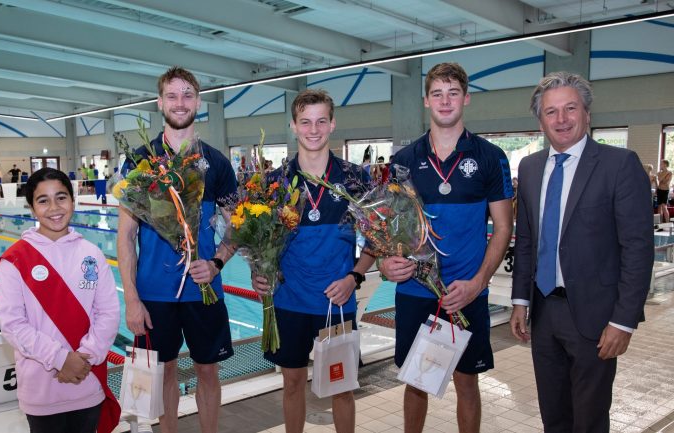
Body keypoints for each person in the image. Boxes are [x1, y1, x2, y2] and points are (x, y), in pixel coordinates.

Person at [510, 71, 653, 433]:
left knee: (588, 420)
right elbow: (526, 240)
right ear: (540, 120)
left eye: (570, 108)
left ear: (587, 114)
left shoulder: (619, 165)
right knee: (554, 416)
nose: (562, 119)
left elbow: (637, 248)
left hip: (594, 317)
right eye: (551, 112)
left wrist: (623, 321)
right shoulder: (529, 168)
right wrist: (520, 303)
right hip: (543, 311)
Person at [378, 62, 514, 433]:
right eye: (437, 93)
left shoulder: (490, 157)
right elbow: (391, 230)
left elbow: (504, 227)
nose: (445, 100)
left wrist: (478, 283)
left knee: (467, 382)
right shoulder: (404, 161)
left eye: (453, 92)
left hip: (466, 292)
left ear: (466, 98)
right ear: (426, 101)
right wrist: (387, 264)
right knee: (416, 381)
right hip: (415, 291)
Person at [117, 66, 237, 433]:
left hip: (203, 290)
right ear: (160, 102)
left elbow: (236, 228)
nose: (180, 102)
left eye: (187, 95)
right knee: (164, 371)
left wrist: (217, 262)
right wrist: (132, 300)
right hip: (155, 293)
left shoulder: (216, 163)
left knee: (208, 370)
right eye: (172, 95)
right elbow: (125, 237)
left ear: (198, 102)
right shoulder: (140, 161)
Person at [252, 89, 375, 433]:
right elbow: (260, 242)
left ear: (333, 123)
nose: (314, 129)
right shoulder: (275, 183)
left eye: (321, 120)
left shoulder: (354, 179)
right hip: (289, 301)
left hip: (336, 302)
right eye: (305, 121)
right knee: (292, 384)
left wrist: (355, 276)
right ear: (293, 126)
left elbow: (378, 239)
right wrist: (257, 273)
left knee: (343, 387)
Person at [0, 167, 121, 433]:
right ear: (32, 208)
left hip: (87, 381)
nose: (54, 207)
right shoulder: (15, 260)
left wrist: (82, 360)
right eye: (43, 200)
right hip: (41, 390)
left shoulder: (92, 254)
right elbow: (13, 325)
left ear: (73, 201)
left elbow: (108, 313)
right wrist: (60, 358)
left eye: (61, 197)